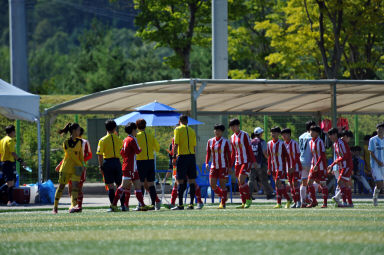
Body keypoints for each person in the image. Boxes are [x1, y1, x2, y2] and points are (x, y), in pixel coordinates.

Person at [110, 122, 148, 212]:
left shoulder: (125, 139)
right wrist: (141, 148)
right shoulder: (132, 139)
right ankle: (113, 204)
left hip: (131, 167)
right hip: (130, 167)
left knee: (138, 186)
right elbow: (138, 151)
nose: (137, 132)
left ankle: (142, 205)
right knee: (123, 186)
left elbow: (121, 153)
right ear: (133, 130)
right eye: (136, 130)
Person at [164, 135, 204, 209]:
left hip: (185, 161)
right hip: (178, 163)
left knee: (191, 182)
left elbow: (193, 149)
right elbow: (173, 151)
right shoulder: (174, 140)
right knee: (177, 183)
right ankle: (173, 203)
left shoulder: (188, 137)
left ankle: (199, 202)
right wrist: (172, 160)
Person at [53, 123, 84, 214]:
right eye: (78, 129)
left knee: (75, 188)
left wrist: (82, 164)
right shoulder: (66, 142)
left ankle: (72, 206)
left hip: (76, 168)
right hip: (66, 168)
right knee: (61, 187)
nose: (79, 131)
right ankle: (55, 207)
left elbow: (80, 155)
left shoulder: (80, 141)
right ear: (74, 130)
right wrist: (80, 164)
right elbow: (71, 155)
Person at [97, 119, 125, 212]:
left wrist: (100, 166)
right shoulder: (119, 139)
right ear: (114, 128)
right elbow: (122, 151)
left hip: (107, 162)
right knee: (119, 185)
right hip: (117, 162)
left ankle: (113, 206)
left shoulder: (102, 140)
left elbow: (100, 154)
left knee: (110, 186)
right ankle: (123, 206)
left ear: (106, 128)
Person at [171, 115, 198, 210]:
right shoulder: (192, 131)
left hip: (182, 157)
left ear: (179, 121)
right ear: (187, 121)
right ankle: (191, 204)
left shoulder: (178, 129)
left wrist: (174, 157)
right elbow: (194, 146)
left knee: (180, 181)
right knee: (192, 181)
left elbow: (176, 144)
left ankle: (181, 204)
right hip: (191, 157)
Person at [229, 118, 256, 209]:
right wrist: (230, 165)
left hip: (246, 161)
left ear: (238, 126)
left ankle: (249, 199)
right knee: (240, 183)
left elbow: (249, 149)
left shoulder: (244, 135)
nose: (233, 128)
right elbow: (233, 152)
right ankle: (243, 202)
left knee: (241, 180)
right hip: (237, 162)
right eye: (231, 126)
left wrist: (254, 161)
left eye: (234, 126)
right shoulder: (232, 137)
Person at [135, 119, 161, 210]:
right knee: (151, 183)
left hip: (140, 161)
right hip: (150, 161)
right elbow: (157, 148)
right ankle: (153, 204)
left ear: (137, 127)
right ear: (145, 126)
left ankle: (141, 204)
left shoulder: (136, 136)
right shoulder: (150, 136)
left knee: (141, 183)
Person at [206, 124, 232, 209]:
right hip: (214, 166)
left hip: (223, 166)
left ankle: (222, 203)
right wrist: (206, 163)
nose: (217, 132)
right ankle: (224, 196)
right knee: (212, 185)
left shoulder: (225, 141)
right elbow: (208, 153)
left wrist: (229, 167)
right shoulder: (210, 141)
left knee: (222, 185)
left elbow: (229, 155)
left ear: (222, 132)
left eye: (219, 131)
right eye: (216, 130)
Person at [66, 127, 92, 212]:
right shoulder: (69, 142)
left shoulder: (84, 142)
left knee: (78, 187)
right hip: (70, 167)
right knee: (70, 186)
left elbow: (89, 155)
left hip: (79, 168)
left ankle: (79, 206)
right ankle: (73, 205)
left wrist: (81, 160)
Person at [0, 125, 26, 207]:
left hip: (3, 163)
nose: (15, 133)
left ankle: (10, 201)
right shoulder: (10, 140)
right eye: (14, 131)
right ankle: (10, 201)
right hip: (9, 163)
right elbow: (13, 153)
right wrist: (21, 161)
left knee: (11, 182)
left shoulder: (2, 140)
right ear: (12, 132)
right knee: (10, 183)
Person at [267, 126, 293, 209]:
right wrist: (269, 167)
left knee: (278, 183)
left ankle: (284, 201)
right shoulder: (269, 143)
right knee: (278, 186)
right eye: (272, 132)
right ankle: (284, 201)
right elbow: (269, 157)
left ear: (278, 134)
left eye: (275, 132)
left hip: (280, 167)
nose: (273, 134)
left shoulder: (282, 143)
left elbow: (287, 156)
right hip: (273, 167)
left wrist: (289, 167)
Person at [327, 128, 354, 207]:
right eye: (329, 135)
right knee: (345, 184)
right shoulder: (335, 144)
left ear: (335, 134)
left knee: (340, 182)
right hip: (342, 166)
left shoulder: (341, 143)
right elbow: (340, 156)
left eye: (331, 135)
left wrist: (333, 164)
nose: (329, 137)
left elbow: (345, 156)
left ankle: (346, 202)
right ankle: (348, 203)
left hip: (347, 166)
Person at [249, 127, 275, 200]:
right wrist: (270, 159)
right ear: (260, 134)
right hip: (261, 163)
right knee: (264, 179)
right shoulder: (262, 142)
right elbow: (264, 153)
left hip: (252, 164)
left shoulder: (251, 141)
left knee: (251, 180)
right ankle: (269, 194)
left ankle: (249, 195)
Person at [307, 126, 328, 208]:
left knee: (323, 184)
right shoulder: (310, 142)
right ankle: (314, 201)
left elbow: (322, 155)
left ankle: (325, 203)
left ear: (317, 133)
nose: (311, 133)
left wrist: (318, 164)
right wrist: (313, 164)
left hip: (321, 167)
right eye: (310, 131)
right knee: (309, 182)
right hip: (313, 166)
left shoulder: (320, 142)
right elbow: (313, 155)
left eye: (312, 131)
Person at [281, 128, 302, 208]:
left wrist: (293, 166)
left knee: (295, 183)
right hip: (287, 167)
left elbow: (297, 155)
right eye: (283, 135)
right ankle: (295, 201)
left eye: (285, 134)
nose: (284, 136)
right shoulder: (283, 144)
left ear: (289, 134)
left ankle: (299, 201)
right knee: (291, 185)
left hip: (295, 167)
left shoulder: (294, 143)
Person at [298, 120, 315, 207]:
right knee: (317, 181)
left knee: (303, 182)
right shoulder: (311, 136)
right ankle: (309, 197)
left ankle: (302, 201)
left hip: (301, 160)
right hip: (310, 161)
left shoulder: (301, 136)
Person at [368, 122, 384, 206]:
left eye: (382, 129)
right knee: (379, 183)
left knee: (382, 184)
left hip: (383, 165)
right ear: (376, 130)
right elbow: (371, 152)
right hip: (376, 165)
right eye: (379, 129)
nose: (380, 131)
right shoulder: (372, 140)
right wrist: (378, 161)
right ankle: (375, 197)